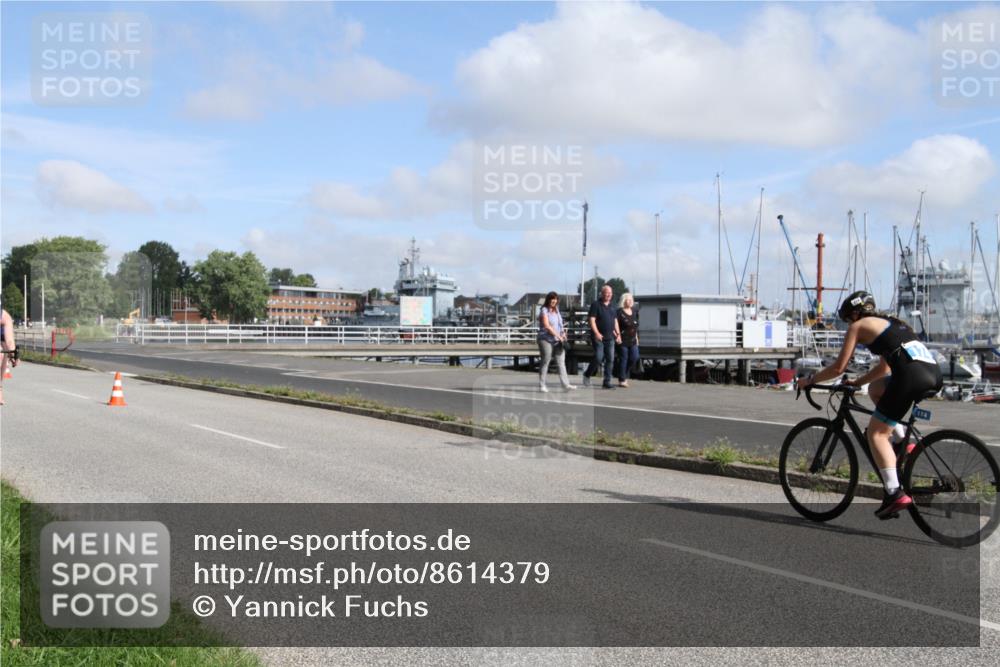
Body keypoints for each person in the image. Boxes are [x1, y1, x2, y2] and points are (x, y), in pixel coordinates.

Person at [797, 291, 943, 519]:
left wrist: (810, 380)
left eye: (847, 320)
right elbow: (884, 369)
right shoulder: (892, 323)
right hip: (932, 373)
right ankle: (902, 442)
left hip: (909, 376)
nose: (848, 325)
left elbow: (838, 368)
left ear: (855, 314)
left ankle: (894, 493)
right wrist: (858, 382)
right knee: (876, 389)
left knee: (876, 434)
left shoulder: (859, 326)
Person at [583, 284, 621, 389]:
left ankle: (607, 382)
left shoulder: (612, 306)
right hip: (598, 337)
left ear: (612, 294)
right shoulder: (596, 305)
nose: (608, 294)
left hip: (610, 338)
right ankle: (587, 375)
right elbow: (592, 320)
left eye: (610, 293)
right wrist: (596, 333)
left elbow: (615, 321)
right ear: (602, 293)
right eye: (606, 292)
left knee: (610, 359)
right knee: (599, 358)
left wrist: (618, 335)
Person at [536, 291, 575, 392]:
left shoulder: (557, 310)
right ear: (548, 300)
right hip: (545, 339)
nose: (553, 301)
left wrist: (563, 333)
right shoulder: (544, 310)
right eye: (552, 299)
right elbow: (547, 326)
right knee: (546, 360)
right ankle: (542, 385)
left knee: (561, 362)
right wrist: (558, 335)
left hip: (558, 340)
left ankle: (565, 384)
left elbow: (560, 324)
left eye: (555, 299)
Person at [615, 293, 639, 387]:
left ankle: (623, 373)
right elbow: (615, 324)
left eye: (631, 299)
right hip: (623, 339)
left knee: (634, 357)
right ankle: (622, 380)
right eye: (627, 299)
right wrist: (617, 335)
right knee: (623, 358)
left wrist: (637, 337)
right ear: (623, 301)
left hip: (632, 339)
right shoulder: (619, 312)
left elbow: (634, 326)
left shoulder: (634, 311)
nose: (629, 301)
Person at [1, 306, 19, 406]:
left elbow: (9, 341)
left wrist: (13, 355)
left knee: (4, 351)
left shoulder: (4, 316)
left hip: (1, 337)